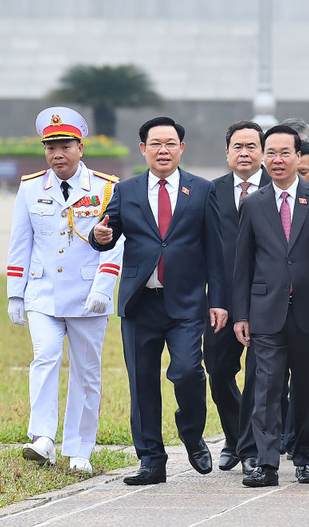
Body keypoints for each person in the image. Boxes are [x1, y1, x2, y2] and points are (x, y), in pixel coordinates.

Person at [89, 116, 227, 485]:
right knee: (142, 383)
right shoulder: (126, 190)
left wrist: (219, 300)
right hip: (140, 304)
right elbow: (106, 230)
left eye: (170, 143)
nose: (162, 150)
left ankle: (193, 434)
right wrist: (99, 234)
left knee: (187, 372)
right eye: (155, 144)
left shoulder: (200, 190)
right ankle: (151, 460)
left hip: (185, 302)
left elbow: (215, 249)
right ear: (143, 149)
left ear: (181, 148)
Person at [7, 106, 123, 474]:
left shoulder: (106, 187)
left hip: (89, 294)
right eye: (50, 147)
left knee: (87, 372)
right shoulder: (30, 188)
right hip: (42, 292)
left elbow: (116, 241)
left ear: (80, 148)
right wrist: (15, 292)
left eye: (64, 146)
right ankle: (42, 437)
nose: (56, 154)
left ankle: (79, 449)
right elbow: (19, 243)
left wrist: (105, 286)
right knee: (45, 358)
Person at [233, 125, 309, 487]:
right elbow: (243, 263)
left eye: (285, 152)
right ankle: (266, 464)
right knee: (266, 390)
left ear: (300, 156)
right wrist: (241, 313)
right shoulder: (253, 203)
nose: (277, 160)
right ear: (263, 157)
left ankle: (305, 458)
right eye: (271, 153)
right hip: (266, 312)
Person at [206, 121, 271, 474]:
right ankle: (234, 436)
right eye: (237, 146)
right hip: (221, 300)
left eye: (251, 146)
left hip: (266, 299)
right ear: (227, 152)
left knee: (260, 376)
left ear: (262, 152)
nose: (244, 153)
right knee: (218, 371)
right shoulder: (209, 192)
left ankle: (249, 448)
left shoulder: (278, 191)